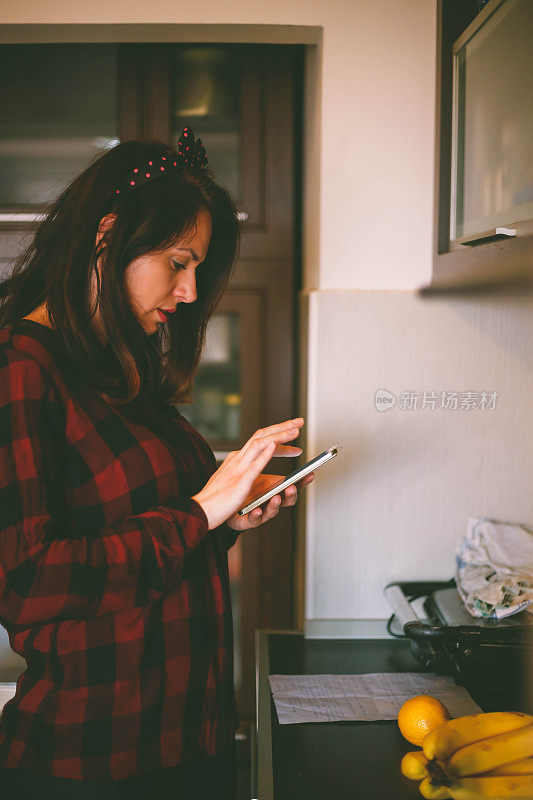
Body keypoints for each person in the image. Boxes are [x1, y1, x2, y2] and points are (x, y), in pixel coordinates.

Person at [0, 129, 314, 799]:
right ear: (107, 235)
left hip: (185, 735)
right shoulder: (19, 368)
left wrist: (229, 515)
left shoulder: (115, 366)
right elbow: (27, 582)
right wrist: (201, 510)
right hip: (92, 760)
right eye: (178, 261)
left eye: (195, 266)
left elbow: (148, 526)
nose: (190, 289)